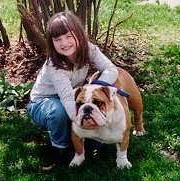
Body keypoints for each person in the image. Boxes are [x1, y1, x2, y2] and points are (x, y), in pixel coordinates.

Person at [27, 10, 118, 170]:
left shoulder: (89, 49)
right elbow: (68, 98)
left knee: (95, 107)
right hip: (43, 104)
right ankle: (59, 149)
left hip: (71, 97)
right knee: (60, 112)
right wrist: (82, 119)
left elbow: (111, 69)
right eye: (58, 39)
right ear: (51, 42)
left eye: (69, 36)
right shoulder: (54, 66)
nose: (64, 43)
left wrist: (97, 87)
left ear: (79, 35)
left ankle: (88, 140)